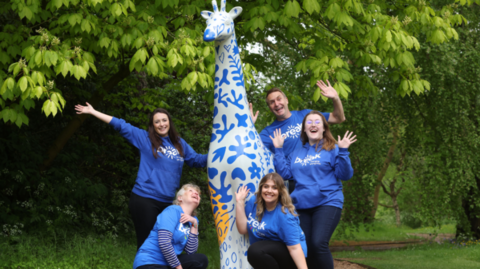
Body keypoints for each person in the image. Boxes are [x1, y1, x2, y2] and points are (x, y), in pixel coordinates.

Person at [75, 103, 207, 250]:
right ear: (152, 125)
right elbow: (120, 124)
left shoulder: (179, 143)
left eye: (164, 120)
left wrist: (219, 153)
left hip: (168, 202)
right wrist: (93, 112)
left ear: (169, 121)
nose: (161, 124)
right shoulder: (145, 139)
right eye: (157, 122)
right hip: (145, 199)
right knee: (147, 246)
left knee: (166, 245)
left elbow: (197, 160)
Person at [270, 111, 356, 269]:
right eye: (309, 122)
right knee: (305, 248)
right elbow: (284, 174)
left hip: (327, 202)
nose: (313, 125)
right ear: (304, 129)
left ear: (324, 128)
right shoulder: (296, 153)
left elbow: (345, 175)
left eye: (317, 122)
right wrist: (279, 150)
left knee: (318, 243)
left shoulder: (332, 149)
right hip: (302, 206)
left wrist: (343, 151)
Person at [250, 80, 346, 193]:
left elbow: (338, 118)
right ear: (270, 107)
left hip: (318, 177)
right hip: (293, 184)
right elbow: (250, 150)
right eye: (272, 102)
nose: (276, 103)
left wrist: (335, 98)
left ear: (286, 100)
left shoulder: (306, 115)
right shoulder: (268, 132)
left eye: (279, 99)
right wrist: (249, 126)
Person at [235, 173, 308, 269]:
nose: (269, 191)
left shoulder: (285, 215)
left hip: (291, 255)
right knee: (256, 251)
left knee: (255, 251)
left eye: (274, 188)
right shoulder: (255, 201)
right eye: (266, 186)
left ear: (280, 191)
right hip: (269, 252)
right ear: (261, 188)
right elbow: (243, 229)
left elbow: (295, 248)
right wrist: (240, 202)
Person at [133, 184, 208, 269]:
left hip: (168, 264)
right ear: (180, 198)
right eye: (191, 191)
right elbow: (164, 242)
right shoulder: (172, 211)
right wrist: (178, 267)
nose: (196, 193)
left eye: (198, 193)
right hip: (149, 262)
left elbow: (190, 251)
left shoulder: (193, 220)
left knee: (201, 260)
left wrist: (194, 224)